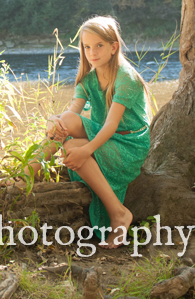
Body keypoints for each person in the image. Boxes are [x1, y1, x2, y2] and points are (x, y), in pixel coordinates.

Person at [25, 15, 152, 249]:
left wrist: (87, 150)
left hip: (129, 144)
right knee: (65, 128)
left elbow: (112, 125)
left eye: (99, 46)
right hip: (105, 137)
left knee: (75, 146)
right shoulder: (88, 79)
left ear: (114, 47)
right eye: (87, 47)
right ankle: (25, 174)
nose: (92, 52)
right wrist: (53, 120)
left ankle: (119, 214)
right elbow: (71, 115)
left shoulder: (126, 78)